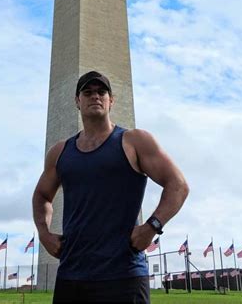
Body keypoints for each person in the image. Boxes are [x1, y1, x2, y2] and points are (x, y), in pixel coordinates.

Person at [32, 71, 189, 303]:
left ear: (111, 100)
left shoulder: (134, 141)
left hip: (123, 275)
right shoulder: (60, 152)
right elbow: (41, 195)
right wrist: (44, 234)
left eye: (101, 92)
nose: (95, 96)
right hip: (72, 276)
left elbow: (178, 185)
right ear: (77, 101)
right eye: (87, 92)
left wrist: (152, 227)